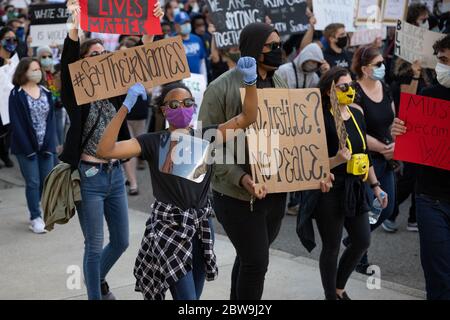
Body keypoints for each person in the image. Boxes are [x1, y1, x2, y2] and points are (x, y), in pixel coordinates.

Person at [97, 56, 261, 300]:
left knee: (193, 296)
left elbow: (247, 117)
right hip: (169, 228)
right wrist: (125, 107)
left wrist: (250, 82)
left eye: (188, 103)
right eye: (174, 105)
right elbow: (105, 150)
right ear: (163, 110)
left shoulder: (207, 135)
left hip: (201, 227)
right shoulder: (152, 142)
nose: (182, 108)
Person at [199, 22, 333, 300]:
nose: (279, 50)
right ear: (252, 49)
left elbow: (292, 136)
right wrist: (240, 177)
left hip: (273, 192)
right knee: (257, 262)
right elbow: (207, 142)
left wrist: (317, 168)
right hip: (236, 196)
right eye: (271, 46)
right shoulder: (220, 88)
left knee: (250, 258)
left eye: (279, 44)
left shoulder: (279, 81)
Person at [59, 1, 163, 300]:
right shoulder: (74, 93)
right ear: (81, 62)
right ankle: (96, 295)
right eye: (94, 55)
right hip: (89, 176)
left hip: (115, 175)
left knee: (120, 241)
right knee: (94, 244)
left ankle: (97, 279)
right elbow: (67, 64)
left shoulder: (115, 90)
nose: (101, 59)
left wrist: (150, 30)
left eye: (104, 54)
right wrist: (74, 28)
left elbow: (139, 61)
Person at [316, 66, 387, 300]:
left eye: (352, 86)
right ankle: (331, 295)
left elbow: (364, 154)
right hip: (330, 188)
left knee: (362, 240)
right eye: (342, 87)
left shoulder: (356, 114)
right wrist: (336, 159)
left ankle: (338, 287)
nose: (349, 90)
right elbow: (309, 162)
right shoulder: (320, 118)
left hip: (355, 186)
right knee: (332, 246)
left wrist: (375, 186)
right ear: (328, 91)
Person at [391, 34, 450, 300]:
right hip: (431, 199)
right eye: (441, 60)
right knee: (438, 275)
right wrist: (398, 130)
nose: (443, 67)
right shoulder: (429, 96)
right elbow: (412, 146)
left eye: (448, 61)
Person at [349, 45, 396, 274]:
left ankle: (355, 240)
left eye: (383, 62)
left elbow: (392, 120)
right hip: (365, 159)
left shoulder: (384, 87)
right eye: (378, 64)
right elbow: (355, 128)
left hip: (387, 159)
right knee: (368, 211)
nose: (383, 67)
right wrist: (382, 147)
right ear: (366, 69)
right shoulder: (354, 91)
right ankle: (360, 257)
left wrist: (394, 144)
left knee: (387, 209)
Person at [8, 57, 56, 234]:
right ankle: (35, 217)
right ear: (24, 72)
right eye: (33, 69)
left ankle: (42, 211)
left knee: (46, 182)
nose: (38, 72)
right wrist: (29, 149)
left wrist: (50, 144)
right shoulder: (16, 94)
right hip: (26, 148)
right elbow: (17, 123)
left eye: (38, 69)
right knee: (33, 182)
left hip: (46, 146)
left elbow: (50, 120)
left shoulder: (45, 91)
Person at [37, 46, 64, 156]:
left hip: (58, 107)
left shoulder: (55, 71)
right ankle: (55, 162)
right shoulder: (37, 75)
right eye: (43, 57)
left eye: (49, 56)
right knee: (53, 138)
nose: (47, 58)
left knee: (60, 134)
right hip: (47, 112)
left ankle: (60, 155)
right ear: (38, 58)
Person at [0, 26, 18, 168]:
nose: (11, 42)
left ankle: (5, 154)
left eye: (14, 39)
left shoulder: (15, 59)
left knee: (7, 131)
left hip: (9, 102)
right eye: (8, 39)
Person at [174, 11, 207, 79]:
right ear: (176, 26)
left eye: (187, 22)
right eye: (183, 23)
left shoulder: (197, 39)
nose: (186, 25)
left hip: (197, 80)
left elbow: (202, 62)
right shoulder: (171, 42)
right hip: (181, 81)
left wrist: (204, 79)